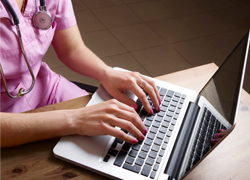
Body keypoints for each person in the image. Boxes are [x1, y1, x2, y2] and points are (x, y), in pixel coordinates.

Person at [0, 0, 161, 148]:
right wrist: (76, 120)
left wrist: (107, 73)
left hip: (44, 87)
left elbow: (72, 50)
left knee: (112, 139)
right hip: (6, 119)